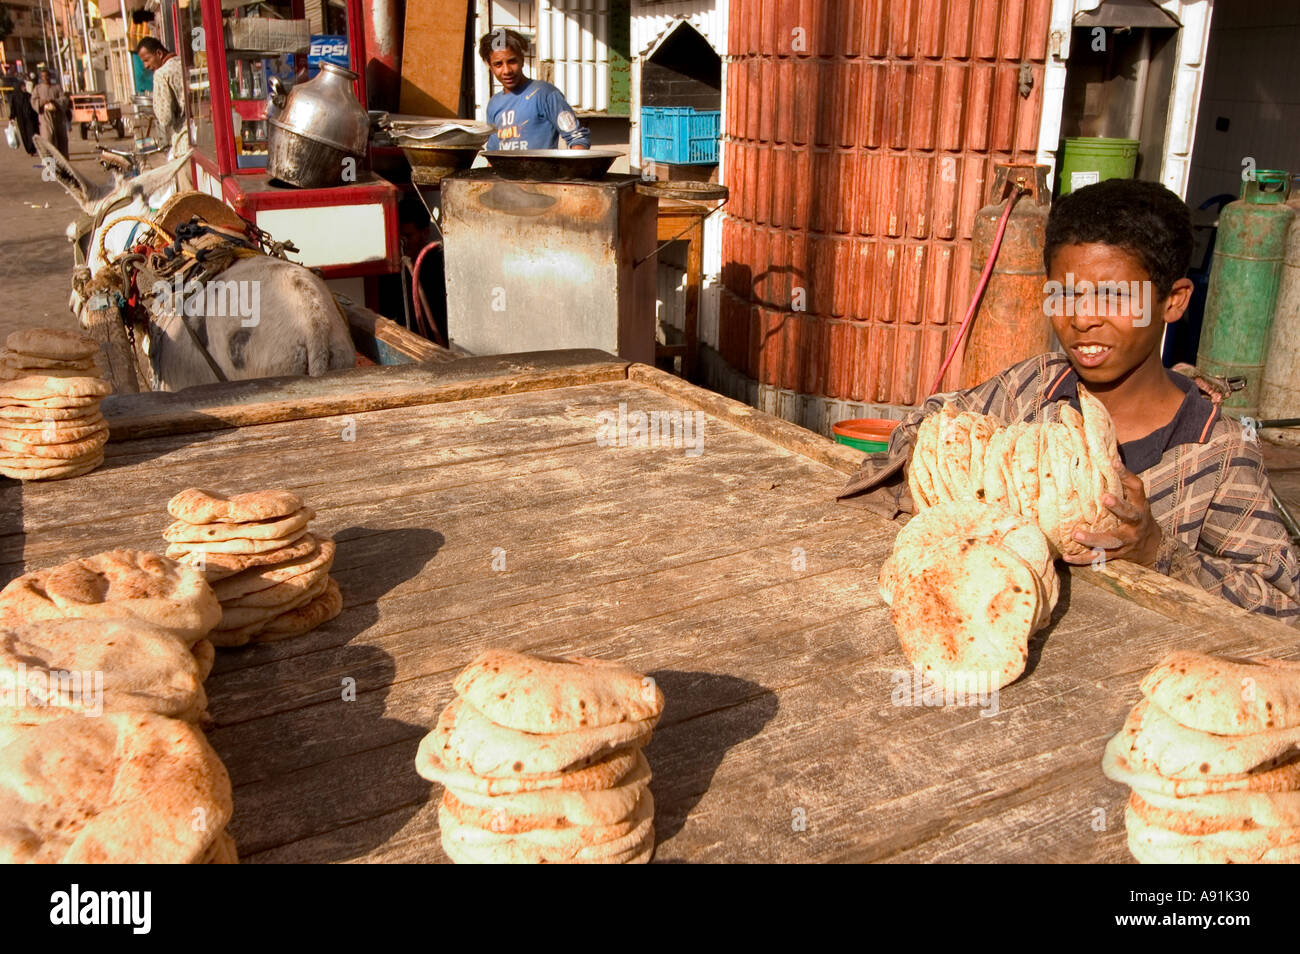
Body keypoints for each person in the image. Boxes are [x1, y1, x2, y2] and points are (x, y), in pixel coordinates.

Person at [839, 178, 1300, 622]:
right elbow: (927, 427)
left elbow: (1283, 604)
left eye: (1115, 297)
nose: (1082, 319)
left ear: (1174, 301)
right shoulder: (1032, 386)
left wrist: (1157, 550)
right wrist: (967, 480)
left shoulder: (1216, 452)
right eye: (1065, 294)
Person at [480, 28, 589, 151]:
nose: (507, 71)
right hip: (505, 171)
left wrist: (571, 169)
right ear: (490, 66)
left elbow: (578, 139)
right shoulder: (494, 104)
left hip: (543, 170)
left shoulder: (545, 94)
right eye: (498, 64)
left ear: (522, 59)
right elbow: (493, 153)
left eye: (512, 61)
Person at [136, 36, 192, 187]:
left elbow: (165, 118)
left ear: (159, 54)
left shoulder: (161, 74)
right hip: (202, 138)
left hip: (184, 144)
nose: (146, 66)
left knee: (190, 199)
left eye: (147, 60)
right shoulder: (184, 64)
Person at [32, 68, 68, 157]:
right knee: (48, 138)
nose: (45, 78)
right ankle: (49, 160)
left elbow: (63, 99)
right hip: (45, 118)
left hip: (57, 117)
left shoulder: (56, 87)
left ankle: (63, 160)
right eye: (43, 76)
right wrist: (42, 102)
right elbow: (33, 101)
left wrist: (55, 101)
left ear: (50, 77)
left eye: (47, 76)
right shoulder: (38, 88)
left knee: (61, 140)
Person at [4, 71, 39, 155]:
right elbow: (13, 109)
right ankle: (29, 149)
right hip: (21, 119)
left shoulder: (28, 96)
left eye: (24, 86)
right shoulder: (15, 97)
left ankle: (32, 148)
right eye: (23, 86)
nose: (24, 88)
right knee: (24, 134)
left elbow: (33, 106)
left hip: (30, 118)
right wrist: (12, 118)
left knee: (31, 132)